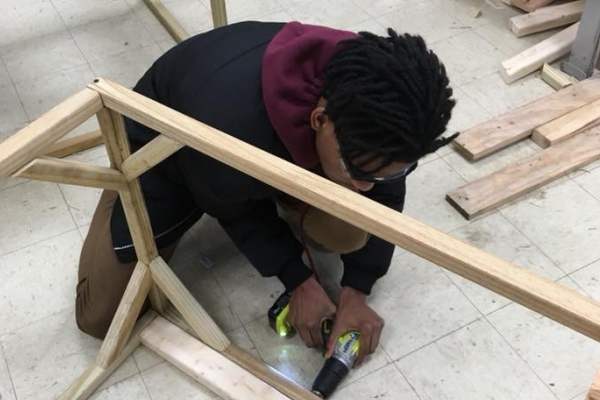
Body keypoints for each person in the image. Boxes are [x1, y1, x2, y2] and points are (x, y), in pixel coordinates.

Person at [76, 20, 457, 366]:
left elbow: (383, 187)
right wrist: (299, 281)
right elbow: (235, 209)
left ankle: (283, 186)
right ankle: (121, 189)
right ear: (320, 121)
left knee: (346, 230)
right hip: (168, 148)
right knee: (102, 317)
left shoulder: (377, 100)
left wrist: (356, 291)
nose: (366, 187)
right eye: (356, 172)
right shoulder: (230, 130)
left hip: (239, 146)